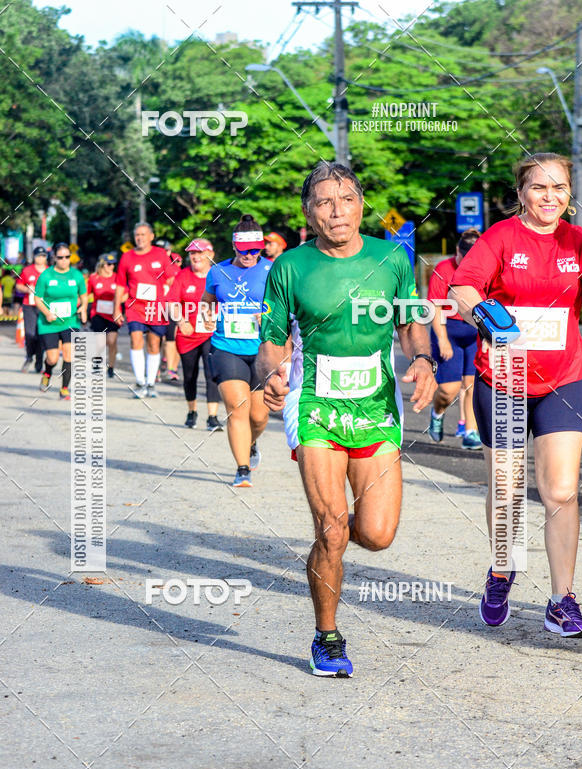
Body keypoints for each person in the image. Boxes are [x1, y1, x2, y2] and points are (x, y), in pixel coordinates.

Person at [257, 162, 437, 677]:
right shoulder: (290, 266)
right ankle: (327, 636)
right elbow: (271, 343)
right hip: (315, 402)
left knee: (377, 535)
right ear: (308, 212)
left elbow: (411, 323)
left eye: (347, 199)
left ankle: (326, 543)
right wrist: (270, 375)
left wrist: (422, 360)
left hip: (378, 406)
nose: (337, 211)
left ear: (362, 203)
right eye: (324, 201)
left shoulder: (391, 259)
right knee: (334, 528)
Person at [449, 152, 582, 639]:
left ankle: (562, 600)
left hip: (563, 378)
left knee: (560, 490)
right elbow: (463, 286)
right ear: (521, 193)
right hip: (505, 378)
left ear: (570, 194)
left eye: (560, 188)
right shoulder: (500, 238)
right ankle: (501, 571)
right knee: (509, 490)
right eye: (540, 187)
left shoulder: (580, 241)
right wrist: (484, 315)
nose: (550, 196)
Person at [203, 214, 272, 487]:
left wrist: (266, 315)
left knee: (259, 416)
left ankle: (251, 443)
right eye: (245, 250)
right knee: (237, 408)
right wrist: (207, 316)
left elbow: (285, 307)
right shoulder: (218, 272)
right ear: (234, 247)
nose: (251, 255)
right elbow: (207, 300)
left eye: (256, 249)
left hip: (262, 350)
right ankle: (242, 468)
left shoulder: (272, 270)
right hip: (226, 347)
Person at [428, 229, 482, 451]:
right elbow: (435, 308)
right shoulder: (443, 269)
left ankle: (470, 432)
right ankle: (437, 413)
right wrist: (442, 340)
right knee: (449, 390)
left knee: (472, 386)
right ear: (457, 251)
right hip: (448, 330)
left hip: (473, 332)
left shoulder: (483, 269)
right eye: (463, 258)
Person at [113, 223, 178, 397]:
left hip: (156, 307)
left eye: (143, 234)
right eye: (137, 235)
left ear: (151, 236)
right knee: (135, 340)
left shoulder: (160, 255)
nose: (140, 238)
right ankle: (140, 382)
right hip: (135, 307)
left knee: (154, 344)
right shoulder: (127, 257)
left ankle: (150, 383)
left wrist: (170, 297)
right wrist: (116, 309)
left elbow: (172, 279)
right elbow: (120, 285)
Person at [167, 238, 223, 430]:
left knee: (211, 374)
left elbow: (227, 301)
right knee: (189, 375)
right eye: (192, 253)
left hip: (210, 333)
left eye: (200, 252)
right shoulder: (183, 276)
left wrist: (218, 319)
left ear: (210, 254)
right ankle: (192, 411)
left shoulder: (218, 274)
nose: (196, 256)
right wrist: (181, 322)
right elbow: (172, 303)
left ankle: (212, 417)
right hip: (188, 335)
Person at [34, 241, 87, 400]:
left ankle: (64, 389)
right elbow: (37, 298)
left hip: (69, 322)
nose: (64, 260)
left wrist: (84, 307)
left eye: (67, 257)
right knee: (53, 358)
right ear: (54, 258)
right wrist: (47, 313)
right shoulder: (46, 275)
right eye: (60, 257)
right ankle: (47, 372)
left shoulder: (76, 275)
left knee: (69, 355)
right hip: (49, 323)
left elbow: (84, 295)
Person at [86, 252, 119, 377]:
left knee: (112, 341)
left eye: (113, 264)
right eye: (109, 264)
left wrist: (120, 302)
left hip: (113, 314)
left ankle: (111, 367)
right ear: (102, 265)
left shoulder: (117, 278)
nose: (111, 267)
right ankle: (97, 362)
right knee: (100, 342)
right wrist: (83, 307)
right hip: (98, 313)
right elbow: (86, 294)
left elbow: (125, 293)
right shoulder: (94, 278)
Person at [15, 247, 48, 372]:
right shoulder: (27, 270)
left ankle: (39, 361)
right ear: (34, 257)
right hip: (29, 305)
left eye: (43, 255)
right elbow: (18, 286)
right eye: (39, 256)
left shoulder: (50, 271)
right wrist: (27, 290)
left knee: (41, 335)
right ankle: (29, 356)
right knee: (30, 334)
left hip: (45, 306)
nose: (41, 258)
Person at [156, 238, 183, 382]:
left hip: (170, 306)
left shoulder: (173, 268)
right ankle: (155, 370)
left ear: (169, 251)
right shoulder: (150, 265)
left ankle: (171, 369)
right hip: (154, 306)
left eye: (164, 251)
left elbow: (177, 284)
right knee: (156, 338)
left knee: (172, 338)